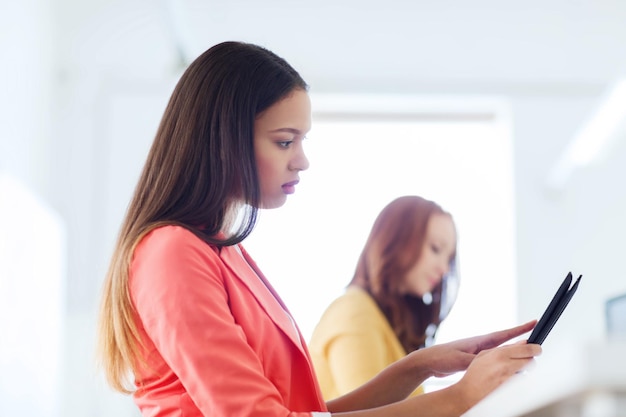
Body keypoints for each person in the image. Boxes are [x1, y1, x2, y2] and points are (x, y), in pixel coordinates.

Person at [96, 40, 541, 417]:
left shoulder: (223, 251)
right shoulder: (172, 252)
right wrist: (463, 396)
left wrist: (419, 368)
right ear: (224, 140)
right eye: (285, 141)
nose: (301, 160)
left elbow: (307, 412)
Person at [309, 195, 460, 400]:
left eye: (448, 258)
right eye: (435, 249)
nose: (443, 269)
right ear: (396, 240)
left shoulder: (381, 321)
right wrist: (464, 395)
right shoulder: (355, 311)